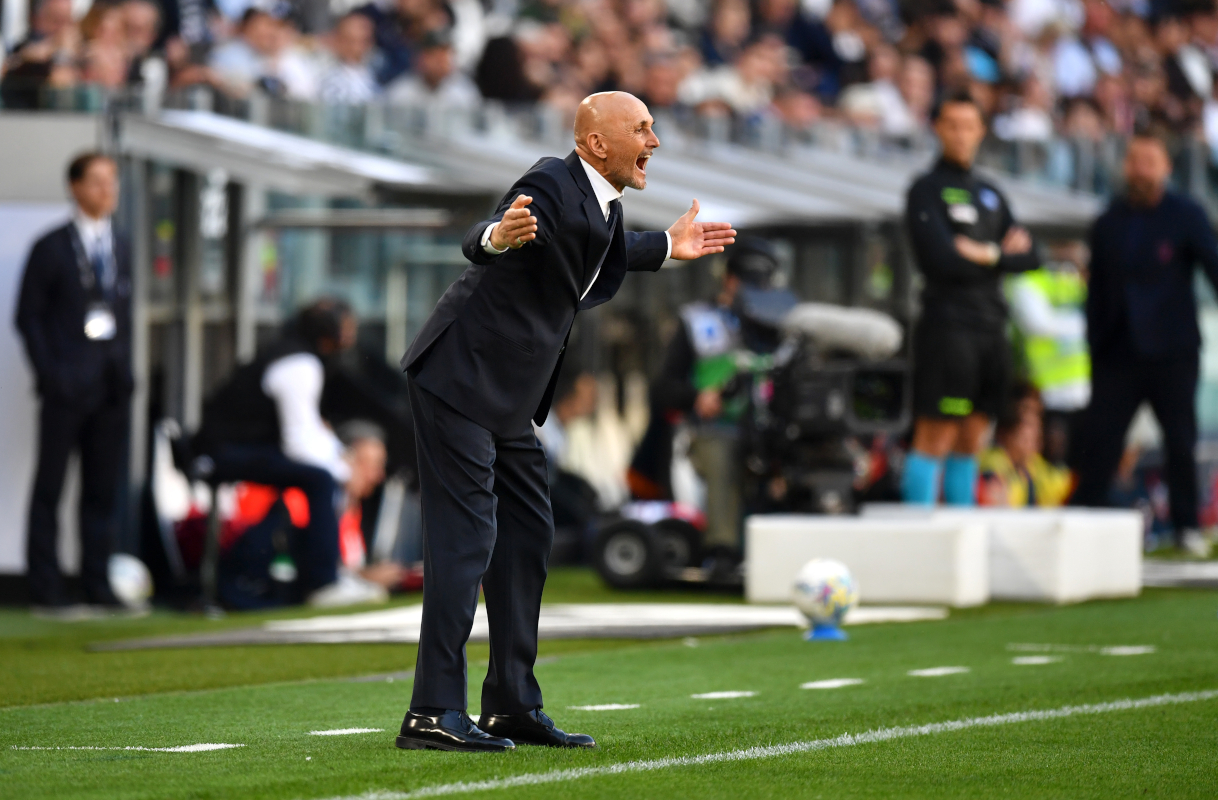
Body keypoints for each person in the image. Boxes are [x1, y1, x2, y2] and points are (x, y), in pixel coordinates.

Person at [397, 91, 735, 752]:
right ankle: (433, 710)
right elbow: (485, 235)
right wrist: (498, 237)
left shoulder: (598, 202)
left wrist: (667, 244)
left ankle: (511, 706)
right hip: (461, 378)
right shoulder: (550, 180)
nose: (655, 141)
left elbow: (602, 246)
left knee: (527, 535)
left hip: (508, 396)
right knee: (466, 539)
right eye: (642, 128)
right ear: (595, 142)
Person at [1072, 133, 1218, 557]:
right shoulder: (1107, 221)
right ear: (1125, 166)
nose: (1142, 169)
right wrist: (1095, 339)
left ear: (1166, 167)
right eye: (1135, 161)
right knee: (1101, 438)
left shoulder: (1186, 215)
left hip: (1173, 349)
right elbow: (1097, 289)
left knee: (1180, 439)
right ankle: (1087, 519)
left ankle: (1186, 525)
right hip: (1118, 350)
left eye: (1150, 160)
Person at [194, 299, 386, 607]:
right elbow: (299, 441)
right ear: (329, 331)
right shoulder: (299, 363)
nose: (351, 336)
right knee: (322, 479)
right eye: (347, 327)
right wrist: (344, 470)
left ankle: (329, 573)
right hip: (222, 452)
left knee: (324, 474)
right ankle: (323, 583)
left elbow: (312, 429)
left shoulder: (301, 357)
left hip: (239, 447)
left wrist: (342, 460)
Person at [902, 90, 1039, 507]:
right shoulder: (926, 191)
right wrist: (1001, 255)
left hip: (990, 328)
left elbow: (1032, 256)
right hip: (948, 327)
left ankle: (962, 531)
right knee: (937, 432)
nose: (961, 135)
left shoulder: (990, 192)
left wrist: (986, 253)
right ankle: (917, 531)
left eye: (969, 126)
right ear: (937, 129)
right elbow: (941, 259)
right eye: (952, 125)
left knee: (973, 434)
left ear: (981, 132)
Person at [16, 153, 132, 612]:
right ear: (75, 187)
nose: (107, 191)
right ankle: (45, 587)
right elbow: (28, 318)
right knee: (51, 487)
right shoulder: (51, 247)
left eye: (113, 182)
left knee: (101, 490)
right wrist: (53, 373)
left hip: (110, 389)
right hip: (67, 389)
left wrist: (124, 374)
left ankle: (97, 583)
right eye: (98, 182)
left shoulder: (120, 245)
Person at [629, 237, 783, 553]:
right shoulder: (699, 322)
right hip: (716, 429)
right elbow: (662, 389)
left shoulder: (781, 326)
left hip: (772, 427)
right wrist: (698, 397)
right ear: (729, 279)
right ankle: (722, 550)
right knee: (723, 456)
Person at [1006, 242, 1090, 466]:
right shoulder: (1026, 279)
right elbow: (1039, 324)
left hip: (1082, 393)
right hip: (1043, 394)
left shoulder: (1075, 280)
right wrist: (1084, 326)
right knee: (1043, 462)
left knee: (1076, 466)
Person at [979, 385, 1072, 507]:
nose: (1036, 433)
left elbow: (1058, 488)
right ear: (1006, 434)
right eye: (1029, 425)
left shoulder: (1033, 465)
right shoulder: (992, 465)